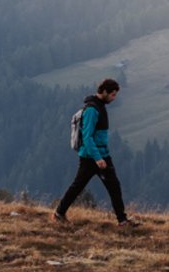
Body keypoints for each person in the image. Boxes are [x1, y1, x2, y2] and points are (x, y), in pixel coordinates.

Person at [54, 78, 137, 227]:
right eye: (112, 95)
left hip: (99, 154)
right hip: (92, 157)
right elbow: (87, 136)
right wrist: (98, 158)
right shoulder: (92, 109)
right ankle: (122, 221)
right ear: (104, 92)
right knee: (89, 186)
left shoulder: (99, 106)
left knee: (108, 186)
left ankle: (122, 220)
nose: (113, 98)